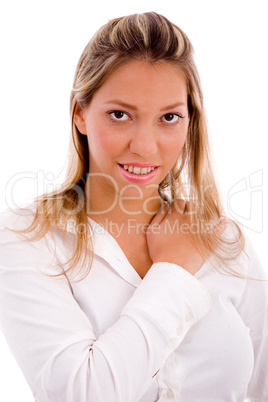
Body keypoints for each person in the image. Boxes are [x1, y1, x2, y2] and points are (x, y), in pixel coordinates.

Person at [0, 11, 267, 401]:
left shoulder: (225, 240)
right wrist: (173, 271)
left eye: (169, 117)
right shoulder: (29, 238)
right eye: (120, 115)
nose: (144, 146)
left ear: (189, 121)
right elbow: (82, 394)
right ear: (80, 114)